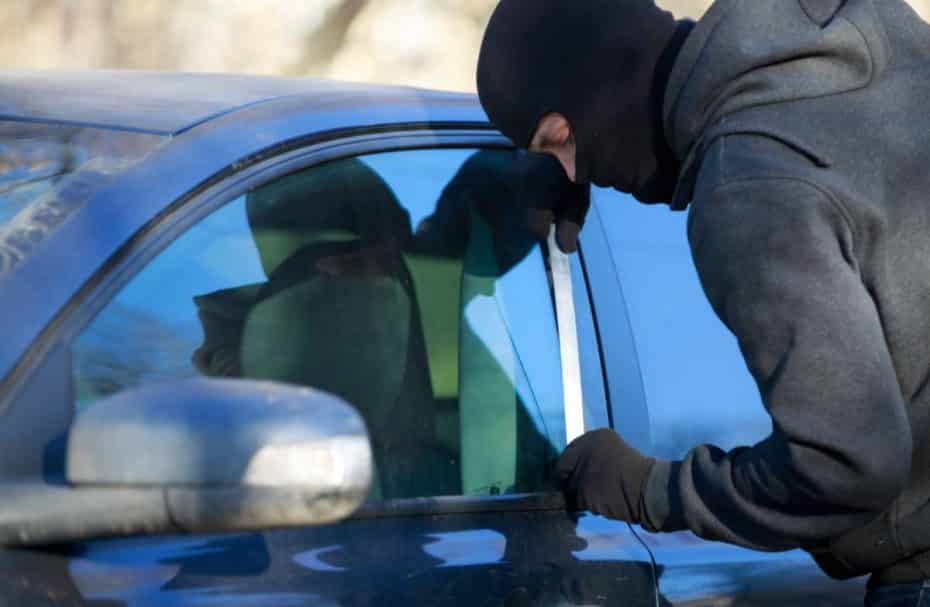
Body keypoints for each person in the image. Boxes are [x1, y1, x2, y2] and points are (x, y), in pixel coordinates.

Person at [476, 0, 930, 604]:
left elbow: (846, 464)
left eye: (557, 141)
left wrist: (648, 489)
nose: (573, 169)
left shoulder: (748, 192)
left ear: (592, 95)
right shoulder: (863, 31)